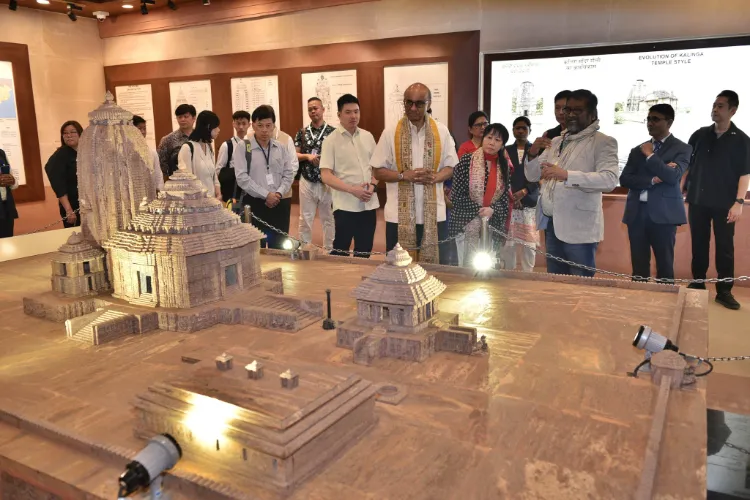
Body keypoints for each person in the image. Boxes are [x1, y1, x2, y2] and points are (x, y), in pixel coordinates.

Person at [525, 89, 619, 277]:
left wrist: (567, 175)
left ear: (593, 114)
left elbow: (609, 179)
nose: (570, 115)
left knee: (580, 287)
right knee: (556, 282)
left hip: (580, 227)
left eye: (578, 110)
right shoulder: (557, 140)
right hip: (552, 224)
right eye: (568, 110)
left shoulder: (603, 142)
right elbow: (533, 176)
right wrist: (532, 154)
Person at [371, 82, 458, 264]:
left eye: (419, 104)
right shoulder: (390, 132)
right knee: (398, 270)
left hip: (435, 215)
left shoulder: (441, 131)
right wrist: (403, 176)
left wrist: (435, 177)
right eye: (408, 102)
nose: (413, 108)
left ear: (429, 104)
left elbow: (450, 167)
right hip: (397, 215)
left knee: (435, 271)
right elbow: (377, 171)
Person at [685, 90, 750, 310]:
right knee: (699, 244)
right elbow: (687, 165)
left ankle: (724, 291)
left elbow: (744, 174)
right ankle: (698, 283)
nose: (715, 109)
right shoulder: (699, 135)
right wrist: (680, 190)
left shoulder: (741, 140)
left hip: (725, 203)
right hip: (698, 201)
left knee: (725, 248)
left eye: (720, 105)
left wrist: (739, 203)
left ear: (733, 110)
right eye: (714, 104)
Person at [620, 104, 691, 283]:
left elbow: (673, 177)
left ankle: (666, 304)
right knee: (639, 264)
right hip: (637, 213)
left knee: (665, 265)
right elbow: (625, 179)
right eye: (649, 119)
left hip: (664, 215)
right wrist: (652, 180)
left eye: (656, 119)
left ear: (669, 122)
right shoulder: (638, 150)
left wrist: (651, 157)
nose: (650, 123)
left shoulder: (682, 148)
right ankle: (639, 302)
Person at [319, 94, 379, 258]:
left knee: (365, 251)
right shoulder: (330, 141)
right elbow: (326, 175)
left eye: (356, 111)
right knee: (340, 252)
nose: (353, 116)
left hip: (369, 204)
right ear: (339, 115)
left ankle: (363, 284)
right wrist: (352, 190)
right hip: (345, 206)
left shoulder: (368, 137)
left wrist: (373, 186)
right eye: (348, 112)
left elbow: (376, 169)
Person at [449, 123, 513, 267]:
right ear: (483, 138)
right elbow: (457, 195)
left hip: (492, 223)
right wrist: (479, 211)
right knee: (464, 267)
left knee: (488, 268)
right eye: (489, 137)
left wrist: (492, 210)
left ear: (502, 145)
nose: (492, 143)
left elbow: (504, 199)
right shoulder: (466, 161)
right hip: (466, 222)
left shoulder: (505, 167)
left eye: (497, 140)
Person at [232, 105, 295, 249]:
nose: (265, 130)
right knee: (256, 249)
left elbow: (288, 174)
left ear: (274, 126)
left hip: (279, 203)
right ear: (253, 125)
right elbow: (242, 178)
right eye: (260, 125)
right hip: (255, 204)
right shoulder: (243, 147)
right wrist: (266, 195)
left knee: (280, 247)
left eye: (268, 125)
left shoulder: (280, 147)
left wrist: (278, 193)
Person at [295, 97, 336, 248]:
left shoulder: (333, 132)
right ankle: (305, 247)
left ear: (323, 109)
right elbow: (295, 155)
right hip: (307, 180)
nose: (313, 111)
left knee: (328, 218)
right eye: (310, 109)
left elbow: (339, 156)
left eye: (316, 108)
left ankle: (330, 250)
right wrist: (307, 156)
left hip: (328, 181)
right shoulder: (302, 132)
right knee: (305, 218)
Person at [500, 116, 539, 272]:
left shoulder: (536, 150)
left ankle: (528, 275)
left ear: (530, 130)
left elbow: (540, 175)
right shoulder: (505, 150)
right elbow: (502, 174)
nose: (521, 131)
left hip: (528, 201)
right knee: (508, 244)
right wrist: (511, 195)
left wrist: (524, 191)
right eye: (517, 128)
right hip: (510, 201)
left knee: (529, 245)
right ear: (513, 130)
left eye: (524, 128)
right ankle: (509, 273)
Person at [45, 120, 83, 228]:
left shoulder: (86, 152)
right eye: (65, 133)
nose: (69, 135)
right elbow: (59, 185)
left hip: (89, 206)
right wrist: (69, 210)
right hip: (72, 206)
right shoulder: (60, 155)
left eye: (72, 132)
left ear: (80, 133)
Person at [177, 110, 221, 199]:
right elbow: (187, 182)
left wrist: (218, 190)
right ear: (208, 127)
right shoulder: (187, 148)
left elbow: (213, 175)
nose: (218, 130)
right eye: (216, 127)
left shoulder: (208, 147)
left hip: (212, 203)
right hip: (196, 204)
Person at [215, 110, 250, 203]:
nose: (241, 127)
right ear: (233, 124)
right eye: (238, 123)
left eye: (244, 123)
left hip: (250, 189)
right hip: (233, 189)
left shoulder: (253, 144)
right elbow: (218, 170)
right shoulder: (227, 145)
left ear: (249, 125)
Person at [157, 104, 196, 180]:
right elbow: (162, 165)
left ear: (194, 118)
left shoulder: (201, 138)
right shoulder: (168, 140)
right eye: (179, 117)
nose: (182, 119)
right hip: (178, 184)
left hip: (200, 182)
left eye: (185, 116)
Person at [132, 115, 165, 193]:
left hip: (150, 193)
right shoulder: (124, 152)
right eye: (139, 128)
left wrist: (160, 192)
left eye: (144, 128)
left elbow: (158, 175)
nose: (143, 132)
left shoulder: (152, 152)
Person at [0, 148, 18, 238]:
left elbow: (13, 183)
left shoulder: (1, 153)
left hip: (6, 207)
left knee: (7, 240)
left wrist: (13, 181)